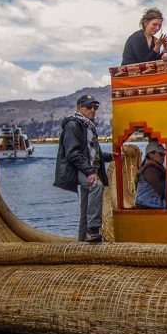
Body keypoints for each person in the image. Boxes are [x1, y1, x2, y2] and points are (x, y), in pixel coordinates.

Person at [53, 94, 113, 242]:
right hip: (79, 170)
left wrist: (111, 156)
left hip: (88, 169)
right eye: (89, 107)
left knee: (86, 207)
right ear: (79, 107)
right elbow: (72, 153)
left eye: (95, 107)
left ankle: (81, 243)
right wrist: (90, 172)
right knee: (96, 185)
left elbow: (94, 153)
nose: (93, 110)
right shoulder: (73, 125)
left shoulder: (89, 126)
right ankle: (94, 229)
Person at [134, 141, 167, 209]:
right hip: (147, 207)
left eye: (164, 154)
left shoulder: (152, 167)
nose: (163, 156)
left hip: (147, 205)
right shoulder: (150, 170)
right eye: (161, 154)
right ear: (151, 154)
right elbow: (161, 190)